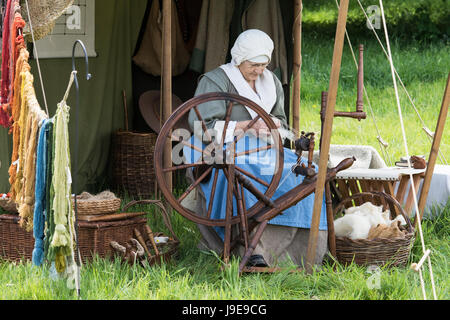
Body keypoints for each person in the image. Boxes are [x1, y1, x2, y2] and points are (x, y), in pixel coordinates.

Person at [182, 29, 328, 268]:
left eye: (264, 64)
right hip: (222, 148)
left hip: (264, 147)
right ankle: (252, 247)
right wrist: (246, 125)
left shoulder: (271, 83)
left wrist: (274, 125)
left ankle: (307, 251)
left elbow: (278, 117)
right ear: (239, 58)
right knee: (244, 172)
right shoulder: (216, 80)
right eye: (254, 65)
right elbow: (200, 126)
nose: (259, 70)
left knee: (304, 171)